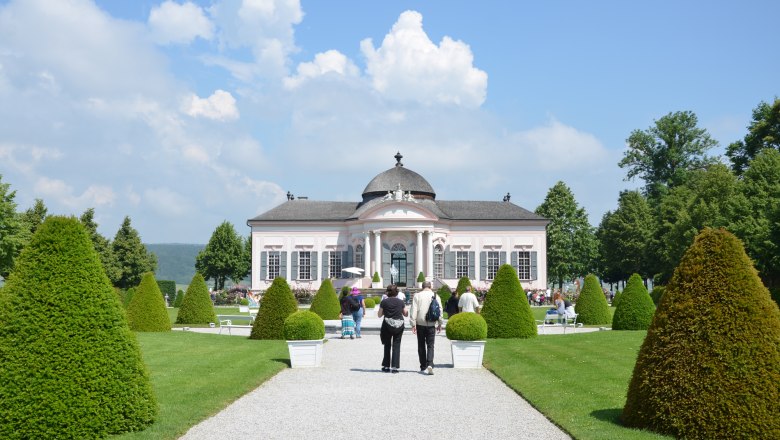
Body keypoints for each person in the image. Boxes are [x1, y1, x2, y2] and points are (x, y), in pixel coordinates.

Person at [408, 281, 443, 375]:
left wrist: (413, 324)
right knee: (431, 345)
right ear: (430, 287)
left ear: (422, 287)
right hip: (431, 324)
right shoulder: (436, 295)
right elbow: (439, 310)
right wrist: (440, 323)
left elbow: (413, 310)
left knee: (421, 345)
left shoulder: (417, 295)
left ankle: (423, 366)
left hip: (420, 323)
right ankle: (430, 364)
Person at [378, 284, 408, 373]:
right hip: (399, 325)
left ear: (387, 292)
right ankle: (394, 367)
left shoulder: (384, 302)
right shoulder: (401, 302)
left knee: (387, 345)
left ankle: (386, 366)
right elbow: (405, 313)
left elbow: (379, 315)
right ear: (397, 292)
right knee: (396, 345)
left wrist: (385, 312)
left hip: (387, 325)